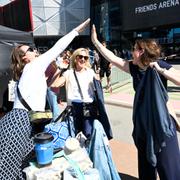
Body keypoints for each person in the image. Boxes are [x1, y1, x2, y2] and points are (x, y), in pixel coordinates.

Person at [0, 18, 90, 180]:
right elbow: (57, 48)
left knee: (19, 168)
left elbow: (47, 87)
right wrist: (76, 31)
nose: (34, 50)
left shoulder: (29, 72)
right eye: (30, 49)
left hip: (21, 123)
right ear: (24, 57)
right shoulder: (33, 65)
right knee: (10, 170)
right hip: (19, 123)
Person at [91, 24, 180, 180]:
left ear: (142, 51)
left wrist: (161, 71)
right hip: (143, 126)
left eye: (134, 49)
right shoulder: (134, 68)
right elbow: (112, 57)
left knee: (169, 168)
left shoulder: (159, 66)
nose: (131, 51)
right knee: (146, 168)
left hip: (162, 123)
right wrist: (96, 42)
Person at [53, 48, 98, 139]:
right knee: (74, 137)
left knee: (88, 136)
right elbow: (55, 84)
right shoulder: (68, 73)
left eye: (85, 58)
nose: (83, 59)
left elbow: (98, 89)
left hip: (88, 108)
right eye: (80, 57)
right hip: (74, 109)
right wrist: (59, 69)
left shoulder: (91, 72)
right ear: (75, 58)